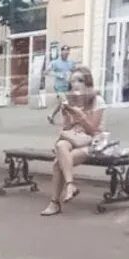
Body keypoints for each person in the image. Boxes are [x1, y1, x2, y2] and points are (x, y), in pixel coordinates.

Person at [42, 67, 105, 216]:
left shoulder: (97, 100)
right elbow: (67, 129)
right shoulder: (71, 101)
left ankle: (55, 203)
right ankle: (70, 185)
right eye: (72, 82)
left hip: (93, 142)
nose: (75, 84)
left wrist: (79, 115)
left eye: (80, 80)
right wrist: (68, 114)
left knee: (58, 163)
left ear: (88, 83)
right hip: (74, 139)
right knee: (60, 144)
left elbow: (93, 129)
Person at [46, 46, 78, 124]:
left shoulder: (71, 63)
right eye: (64, 51)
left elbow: (74, 71)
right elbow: (47, 72)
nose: (66, 53)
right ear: (61, 52)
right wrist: (58, 75)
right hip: (59, 86)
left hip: (68, 86)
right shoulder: (55, 62)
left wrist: (73, 77)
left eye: (67, 52)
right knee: (65, 101)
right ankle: (68, 120)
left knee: (61, 103)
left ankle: (51, 115)